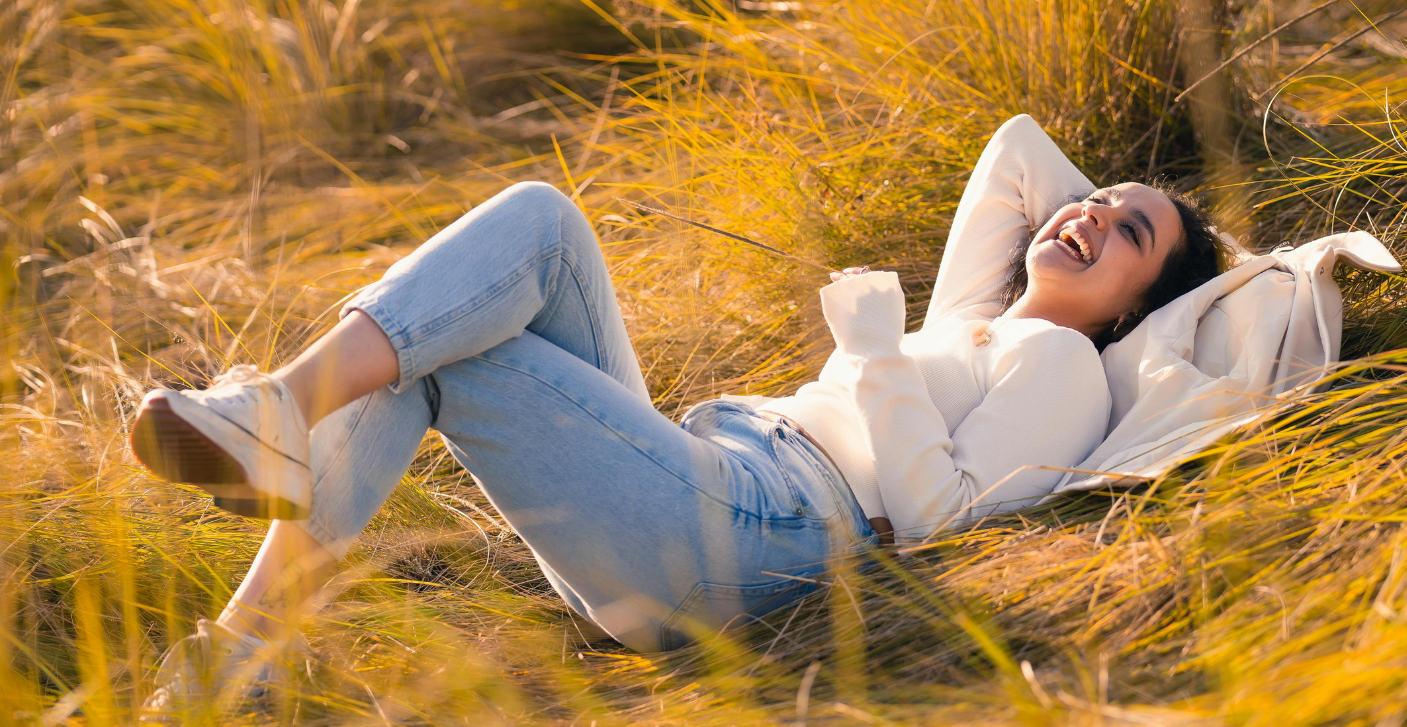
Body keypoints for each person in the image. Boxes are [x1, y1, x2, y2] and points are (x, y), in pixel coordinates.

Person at [127, 115, 1225, 712]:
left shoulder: (1065, 368)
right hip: (699, 474)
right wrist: (1117, 224)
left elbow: (947, 512)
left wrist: (876, 353)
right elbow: (1019, 146)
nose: (1086, 212)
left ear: (1133, 309)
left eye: (1126, 235)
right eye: (1095, 198)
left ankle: (268, 469)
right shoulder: (976, 320)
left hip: (759, 532)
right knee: (536, 236)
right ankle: (244, 621)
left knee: (447, 341)